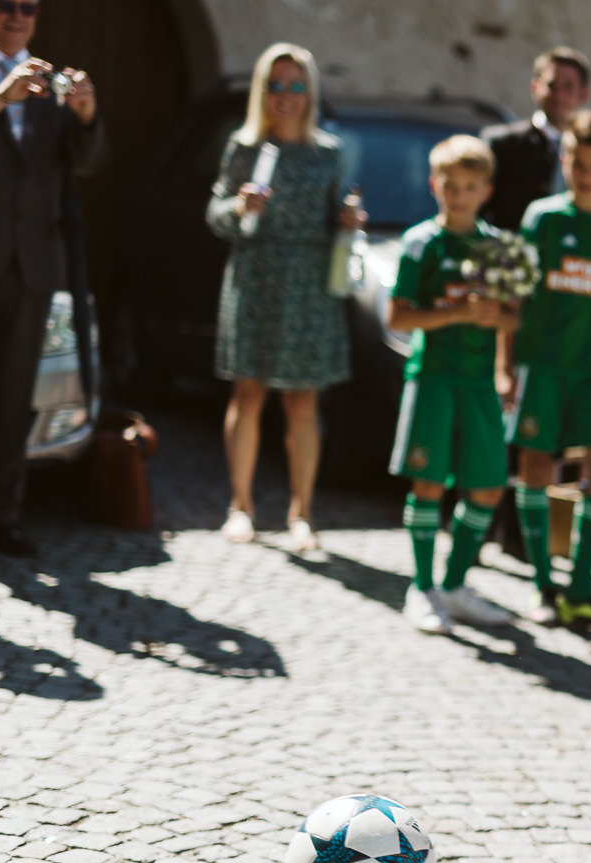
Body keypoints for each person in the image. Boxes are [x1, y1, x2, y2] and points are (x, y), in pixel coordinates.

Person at [207, 43, 363, 552]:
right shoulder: (244, 147)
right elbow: (215, 215)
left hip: (310, 282)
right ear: (262, 91)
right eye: (276, 85)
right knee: (248, 393)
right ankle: (241, 505)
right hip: (257, 275)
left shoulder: (329, 152)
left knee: (303, 400)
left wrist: (348, 221)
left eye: (297, 86)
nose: (286, 96)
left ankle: (301, 512)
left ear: (310, 93)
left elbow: (340, 213)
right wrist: (238, 206)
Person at [501, 109, 591, 631]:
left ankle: (581, 587)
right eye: (578, 163)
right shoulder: (542, 218)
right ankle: (543, 586)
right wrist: (504, 364)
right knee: (536, 467)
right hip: (540, 365)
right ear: (565, 161)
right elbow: (514, 293)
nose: (585, 174)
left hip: (590, 372)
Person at [385, 135, 517, 635]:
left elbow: (513, 319)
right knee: (429, 482)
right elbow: (398, 315)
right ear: (433, 185)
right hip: (434, 379)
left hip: (480, 382)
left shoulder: (497, 247)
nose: (458, 194)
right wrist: (456, 312)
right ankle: (421, 587)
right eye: (449, 185)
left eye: (469, 186)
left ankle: (456, 584)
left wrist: (495, 323)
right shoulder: (421, 243)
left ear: (486, 190)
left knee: (486, 486)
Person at [0, 0, 105, 558]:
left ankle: (4, 517)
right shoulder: (10, 85)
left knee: (14, 400)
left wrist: (85, 115)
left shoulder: (52, 85)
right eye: (4, 5)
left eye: (27, 7)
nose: (16, 16)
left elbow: (86, 163)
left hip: (32, 263)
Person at [479, 47, 590, 233]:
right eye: (551, 85)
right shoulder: (503, 144)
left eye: (568, 87)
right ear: (535, 87)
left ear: (583, 94)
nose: (559, 95)